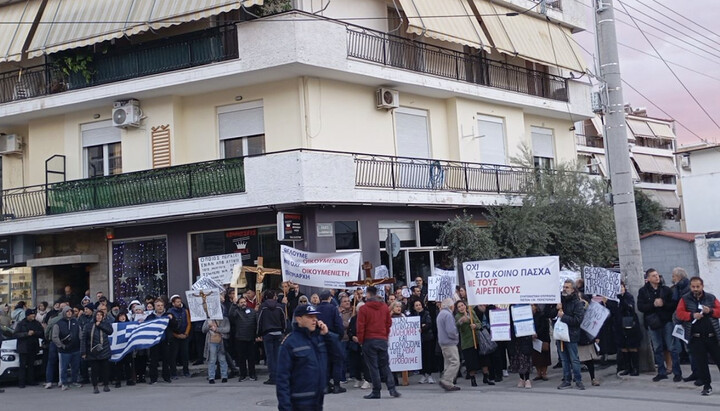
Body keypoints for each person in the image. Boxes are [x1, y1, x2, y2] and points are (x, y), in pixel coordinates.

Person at [276, 304, 338, 411]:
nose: (314, 320)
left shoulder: (319, 338)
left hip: (318, 399)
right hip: (299, 401)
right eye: (310, 317)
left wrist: (327, 335)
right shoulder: (290, 343)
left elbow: (339, 356)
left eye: (315, 317)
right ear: (298, 319)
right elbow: (282, 378)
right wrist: (285, 407)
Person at [675, 276, 720, 396]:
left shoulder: (710, 297)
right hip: (696, 337)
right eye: (693, 286)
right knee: (701, 363)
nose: (695, 289)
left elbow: (719, 311)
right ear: (690, 287)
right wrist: (691, 315)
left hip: (712, 336)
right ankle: (707, 385)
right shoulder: (685, 299)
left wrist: (710, 311)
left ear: (702, 286)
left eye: (697, 286)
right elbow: (679, 314)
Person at [357, 285, 400, 399]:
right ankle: (392, 388)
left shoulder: (364, 309)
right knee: (385, 365)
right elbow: (388, 323)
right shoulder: (384, 307)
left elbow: (361, 326)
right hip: (382, 339)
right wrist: (385, 336)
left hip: (369, 340)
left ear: (368, 294)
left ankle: (376, 391)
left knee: (373, 367)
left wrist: (361, 341)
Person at [637, 268, 681, 382]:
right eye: (653, 276)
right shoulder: (643, 291)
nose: (656, 277)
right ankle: (661, 372)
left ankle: (677, 372)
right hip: (653, 323)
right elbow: (641, 307)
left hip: (666, 321)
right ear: (648, 278)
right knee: (657, 348)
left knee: (672, 347)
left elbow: (673, 305)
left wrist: (663, 304)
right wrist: (653, 304)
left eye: (657, 275)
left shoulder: (666, 290)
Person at [552, 280, 585, 390]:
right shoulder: (560, 301)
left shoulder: (577, 303)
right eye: (564, 287)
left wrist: (563, 316)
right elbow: (550, 314)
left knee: (574, 359)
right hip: (560, 335)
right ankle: (567, 380)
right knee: (564, 360)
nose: (564, 289)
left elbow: (577, 320)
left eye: (567, 287)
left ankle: (578, 380)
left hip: (571, 335)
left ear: (573, 289)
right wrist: (556, 309)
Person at [607, 282, 641, 376]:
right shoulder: (613, 298)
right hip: (618, 325)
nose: (620, 289)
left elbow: (629, 308)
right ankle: (627, 367)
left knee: (632, 347)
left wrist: (621, 298)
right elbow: (612, 311)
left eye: (621, 287)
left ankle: (635, 368)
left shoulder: (628, 296)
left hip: (630, 324)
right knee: (623, 347)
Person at [316, 290, 346, 394]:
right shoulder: (333, 309)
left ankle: (325, 385)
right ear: (329, 298)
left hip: (320, 338)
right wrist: (340, 335)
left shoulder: (316, 309)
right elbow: (338, 324)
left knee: (325, 362)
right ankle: (337, 385)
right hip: (332, 337)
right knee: (337, 360)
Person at [257, 290, 287, 385]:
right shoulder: (280, 306)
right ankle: (279, 376)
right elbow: (284, 320)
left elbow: (259, 321)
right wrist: (284, 331)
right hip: (278, 332)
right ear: (274, 296)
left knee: (270, 357)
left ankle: (272, 377)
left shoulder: (263, 307)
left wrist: (258, 333)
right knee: (278, 356)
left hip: (268, 333)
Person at [80, 310, 113, 394]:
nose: (98, 316)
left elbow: (110, 331)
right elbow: (83, 339)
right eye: (97, 315)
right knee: (94, 371)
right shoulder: (88, 326)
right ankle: (95, 386)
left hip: (104, 350)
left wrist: (100, 325)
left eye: (100, 315)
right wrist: (83, 352)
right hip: (92, 351)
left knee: (105, 370)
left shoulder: (106, 324)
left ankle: (106, 385)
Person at [146, 299, 177, 384]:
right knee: (153, 361)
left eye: (161, 305)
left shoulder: (168, 315)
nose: (160, 307)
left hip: (165, 341)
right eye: (158, 305)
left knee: (166, 360)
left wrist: (171, 319)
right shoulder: (151, 317)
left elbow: (175, 325)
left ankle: (166, 377)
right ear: (155, 307)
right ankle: (153, 379)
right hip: (154, 342)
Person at [52, 305, 82, 390]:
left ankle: (74, 381)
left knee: (75, 367)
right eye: (67, 311)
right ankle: (64, 383)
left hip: (75, 349)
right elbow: (55, 337)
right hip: (64, 350)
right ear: (64, 313)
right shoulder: (58, 323)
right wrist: (62, 346)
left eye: (70, 311)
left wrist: (80, 344)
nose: (69, 313)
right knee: (64, 367)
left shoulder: (76, 322)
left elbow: (80, 334)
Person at [228, 296, 258, 381]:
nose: (243, 303)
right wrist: (233, 305)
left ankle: (252, 374)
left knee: (251, 358)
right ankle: (243, 375)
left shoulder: (252, 311)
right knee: (241, 358)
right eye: (241, 302)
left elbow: (256, 323)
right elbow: (230, 315)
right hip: (240, 338)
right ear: (238, 304)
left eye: (244, 302)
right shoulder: (236, 312)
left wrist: (257, 334)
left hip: (251, 338)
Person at [13, 309, 43, 388]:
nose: (33, 316)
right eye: (32, 315)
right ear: (27, 315)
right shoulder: (21, 324)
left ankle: (31, 380)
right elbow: (16, 334)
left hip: (33, 347)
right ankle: (21, 382)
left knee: (31, 365)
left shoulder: (36, 323)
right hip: (24, 348)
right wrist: (26, 334)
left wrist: (35, 333)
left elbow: (41, 332)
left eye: (34, 314)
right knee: (22, 365)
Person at [454, 300, 481, 387]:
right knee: (470, 362)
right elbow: (456, 325)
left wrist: (475, 325)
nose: (461, 308)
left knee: (480, 360)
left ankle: (486, 376)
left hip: (476, 340)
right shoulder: (458, 316)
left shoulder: (471, 311)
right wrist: (462, 320)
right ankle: (473, 379)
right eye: (459, 307)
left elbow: (479, 323)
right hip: (466, 342)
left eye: (462, 305)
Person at [437, 298, 461, 391]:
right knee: (455, 362)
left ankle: (449, 383)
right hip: (449, 342)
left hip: (443, 342)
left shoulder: (441, 314)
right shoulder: (448, 315)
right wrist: (456, 336)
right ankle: (446, 380)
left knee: (448, 362)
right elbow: (451, 330)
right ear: (451, 306)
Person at [411, 300, 436, 384]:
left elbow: (428, 324)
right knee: (421, 357)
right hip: (417, 340)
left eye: (419, 305)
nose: (418, 306)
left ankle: (429, 375)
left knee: (428, 356)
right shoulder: (413, 315)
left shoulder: (426, 313)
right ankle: (423, 375)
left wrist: (423, 327)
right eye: (416, 305)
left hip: (427, 338)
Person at [203, 312, 230, 384]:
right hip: (211, 342)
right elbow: (203, 330)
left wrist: (216, 329)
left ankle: (224, 376)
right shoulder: (209, 320)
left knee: (222, 359)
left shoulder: (225, 319)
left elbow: (227, 329)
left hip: (221, 341)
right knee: (212, 360)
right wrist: (209, 326)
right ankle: (211, 377)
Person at [168, 295, 191, 379]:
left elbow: (188, 322)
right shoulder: (170, 312)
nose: (179, 303)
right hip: (175, 336)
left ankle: (186, 371)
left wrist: (186, 333)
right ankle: (173, 373)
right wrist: (177, 335)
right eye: (177, 302)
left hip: (184, 335)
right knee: (173, 355)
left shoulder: (185, 311)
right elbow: (169, 327)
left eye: (180, 301)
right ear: (173, 303)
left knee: (185, 354)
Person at [112, 310, 136, 387]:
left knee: (127, 365)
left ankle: (129, 379)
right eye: (120, 316)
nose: (122, 317)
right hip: (118, 348)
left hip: (127, 348)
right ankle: (118, 380)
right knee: (118, 365)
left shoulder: (129, 325)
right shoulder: (115, 326)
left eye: (123, 316)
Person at [531, 304, 552, 381]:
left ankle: (544, 373)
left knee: (544, 357)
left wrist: (537, 333)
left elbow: (544, 327)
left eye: (532, 306)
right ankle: (538, 373)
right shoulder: (529, 317)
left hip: (543, 338)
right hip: (533, 339)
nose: (531, 307)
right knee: (536, 357)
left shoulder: (542, 315)